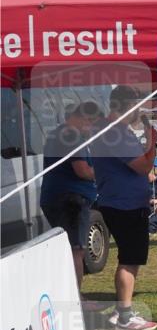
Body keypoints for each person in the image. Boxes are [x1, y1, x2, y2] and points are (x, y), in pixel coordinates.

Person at [90, 86, 157, 330]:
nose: (138, 112)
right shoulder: (114, 132)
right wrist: (154, 144)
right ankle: (125, 317)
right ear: (124, 106)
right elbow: (142, 166)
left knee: (131, 259)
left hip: (122, 202)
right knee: (129, 260)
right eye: (135, 107)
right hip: (124, 204)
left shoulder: (113, 130)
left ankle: (123, 311)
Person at [40, 101, 102, 287]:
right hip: (70, 201)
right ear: (84, 118)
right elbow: (82, 171)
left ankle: (72, 295)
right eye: (92, 124)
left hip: (59, 197)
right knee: (76, 250)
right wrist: (104, 172)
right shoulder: (71, 136)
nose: (92, 129)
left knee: (70, 249)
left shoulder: (58, 134)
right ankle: (77, 298)